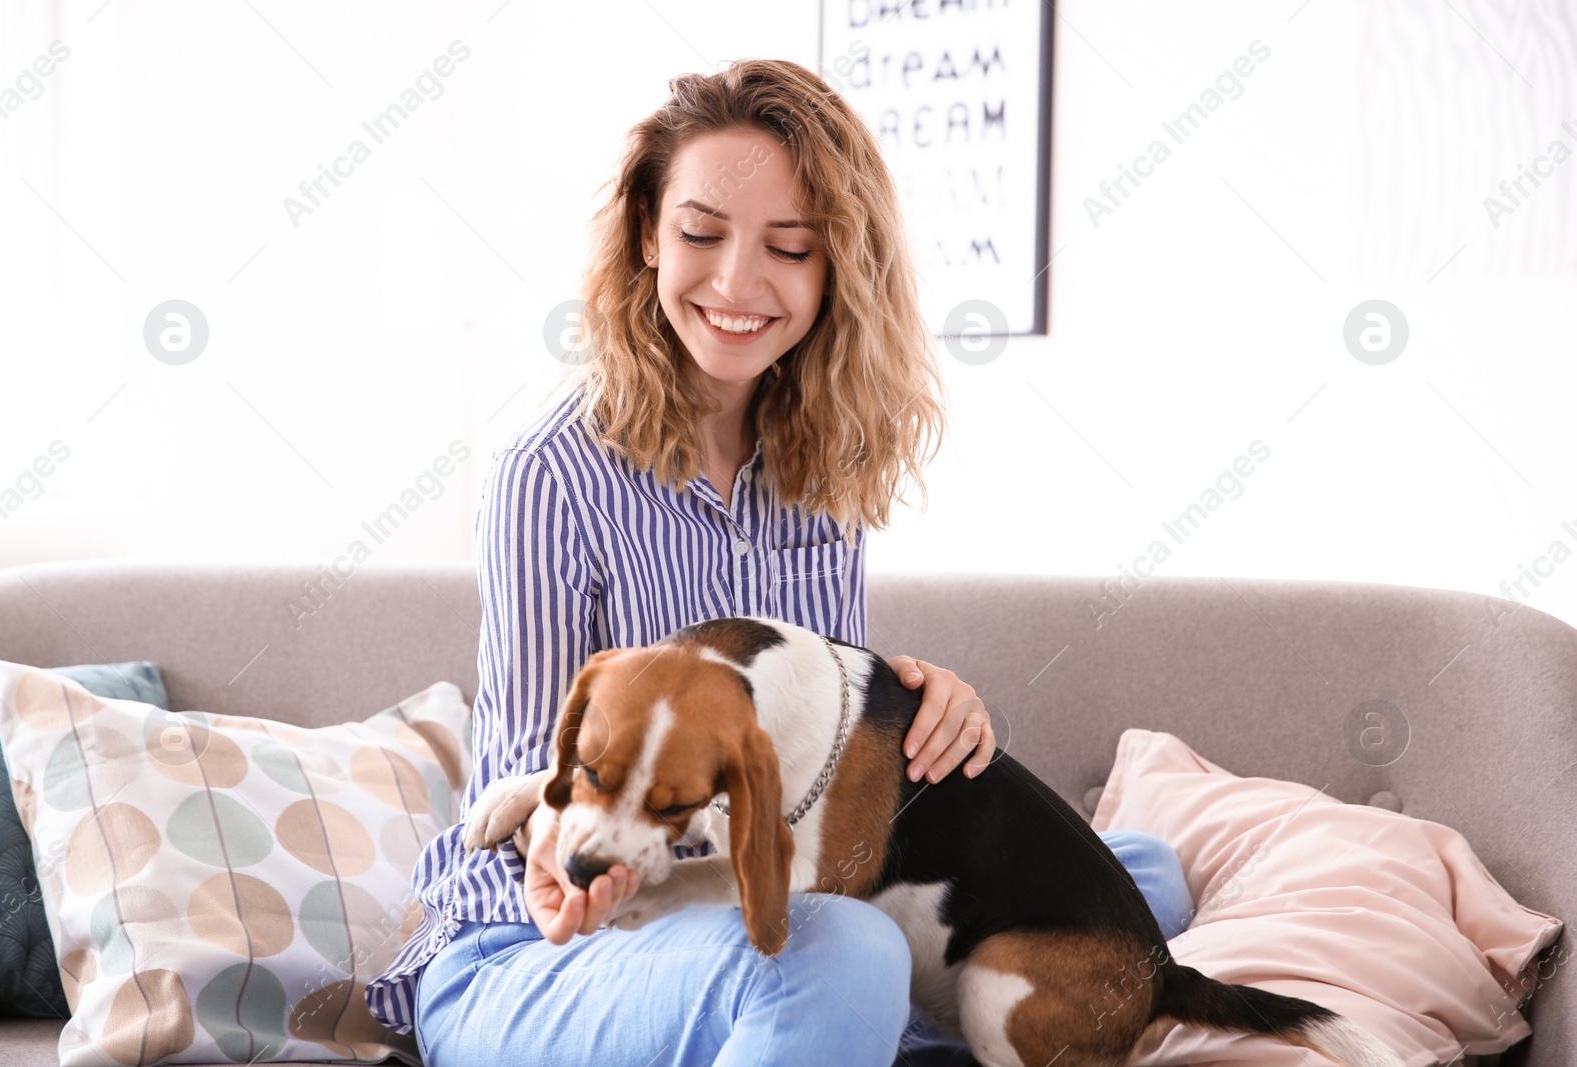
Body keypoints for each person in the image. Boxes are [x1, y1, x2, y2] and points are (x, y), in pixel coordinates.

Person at [366, 58, 1193, 1067]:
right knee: (844, 947)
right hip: (531, 951)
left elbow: (812, 745)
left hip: (728, 895)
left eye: (788, 248)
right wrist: (571, 837)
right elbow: (527, 774)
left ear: (833, 266)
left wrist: (926, 710)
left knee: (1135, 880)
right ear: (645, 236)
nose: (735, 283)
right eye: (700, 234)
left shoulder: (821, 462)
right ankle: (837, 1006)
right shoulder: (555, 470)